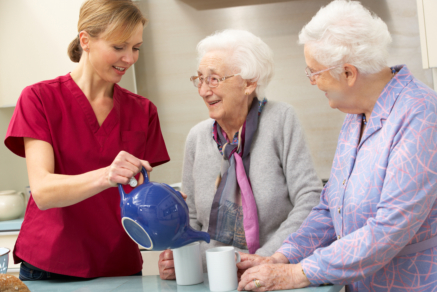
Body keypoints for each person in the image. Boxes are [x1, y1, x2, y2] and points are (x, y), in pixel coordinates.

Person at [237, 1, 437, 291]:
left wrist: (296, 274)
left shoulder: (421, 114)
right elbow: (331, 209)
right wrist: (281, 257)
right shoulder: (356, 114)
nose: (312, 81)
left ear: (348, 73)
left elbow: (391, 227)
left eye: (314, 72)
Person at [4, 0, 170, 280]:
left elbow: (137, 196)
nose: (129, 58)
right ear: (86, 40)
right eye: (119, 47)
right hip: (51, 265)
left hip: (120, 265)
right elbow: (43, 191)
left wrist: (167, 206)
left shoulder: (143, 111)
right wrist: (108, 174)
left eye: (136, 48)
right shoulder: (39, 99)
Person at [158, 29, 323, 280]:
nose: (203, 90)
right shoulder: (197, 137)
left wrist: (268, 259)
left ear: (248, 83)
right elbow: (189, 218)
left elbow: (309, 200)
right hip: (214, 276)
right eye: (200, 79)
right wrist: (180, 258)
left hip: (274, 272)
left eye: (214, 79)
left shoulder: (281, 120)